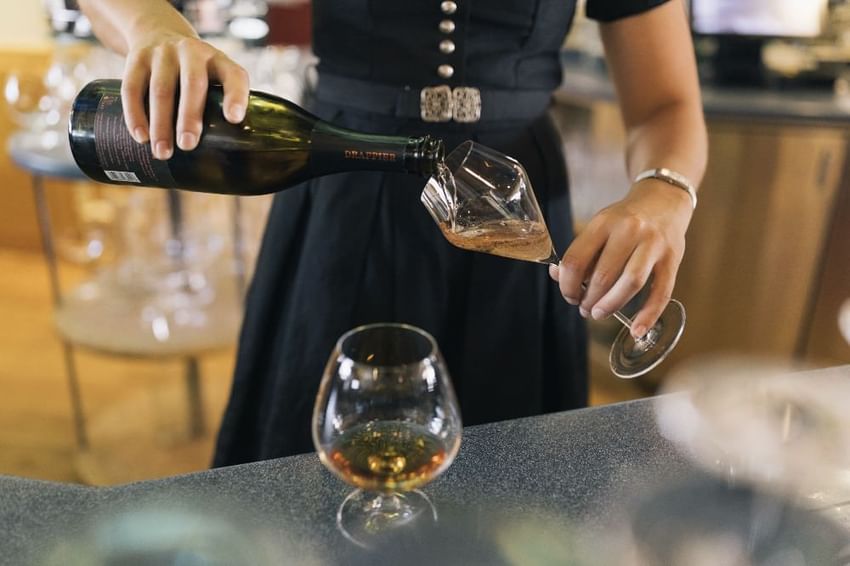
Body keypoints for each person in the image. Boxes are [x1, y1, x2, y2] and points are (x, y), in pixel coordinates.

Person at [78, 0, 707, 465]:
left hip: (513, 205)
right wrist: (152, 26)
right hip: (343, 182)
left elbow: (666, 105)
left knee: (512, 479)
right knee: (315, 473)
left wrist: (664, 192)